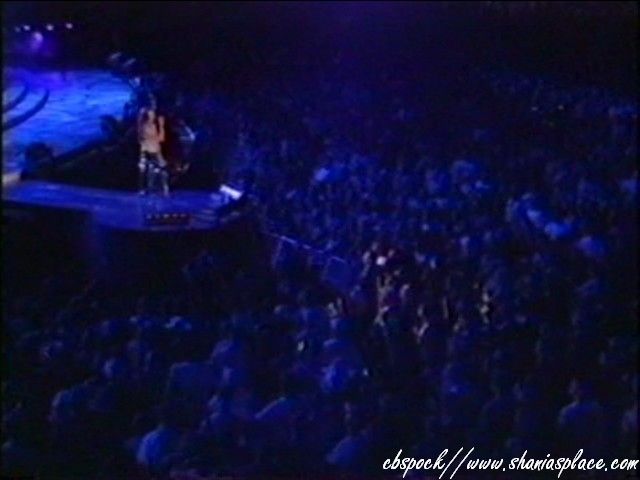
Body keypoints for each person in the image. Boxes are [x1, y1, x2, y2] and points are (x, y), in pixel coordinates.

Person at [138, 100, 169, 195]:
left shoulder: (155, 125)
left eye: (153, 114)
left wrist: (161, 126)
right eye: (150, 114)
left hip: (156, 150)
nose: (152, 116)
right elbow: (142, 137)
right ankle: (144, 188)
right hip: (147, 149)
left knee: (161, 167)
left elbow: (161, 139)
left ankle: (163, 188)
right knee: (143, 167)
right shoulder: (144, 126)